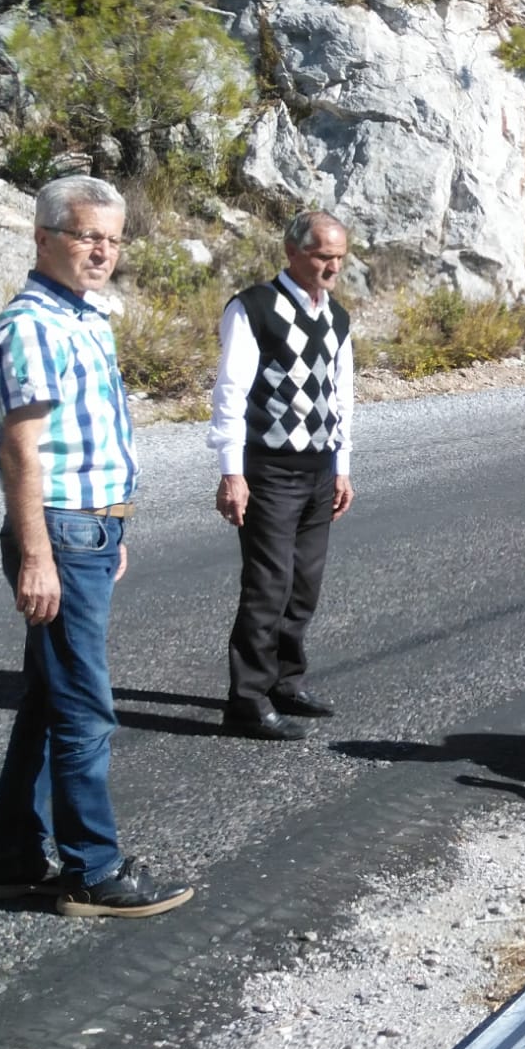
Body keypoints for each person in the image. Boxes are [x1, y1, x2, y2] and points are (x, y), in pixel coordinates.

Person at [0, 177, 194, 918]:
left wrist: (112, 528)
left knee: (48, 699)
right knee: (84, 709)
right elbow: (20, 451)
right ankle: (94, 873)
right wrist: (41, 554)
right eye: (85, 236)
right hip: (62, 532)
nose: (101, 250)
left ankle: (11, 858)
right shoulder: (34, 325)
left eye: (112, 238)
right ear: (43, 239)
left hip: (88, 529)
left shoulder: (83, 318)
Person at [209, 211, 357, 740]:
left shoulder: (337, 318)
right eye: (322, 256)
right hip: (269, 471)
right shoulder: (253, 308)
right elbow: (230, 392)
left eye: (338, 257)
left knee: (304, 587)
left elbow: (341, 397)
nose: (332, 267)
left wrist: (340, 467)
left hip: (318, 470)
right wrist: (232, 472)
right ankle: (246, 699)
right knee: (268, 585)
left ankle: (284, 681)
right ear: (292, 252)